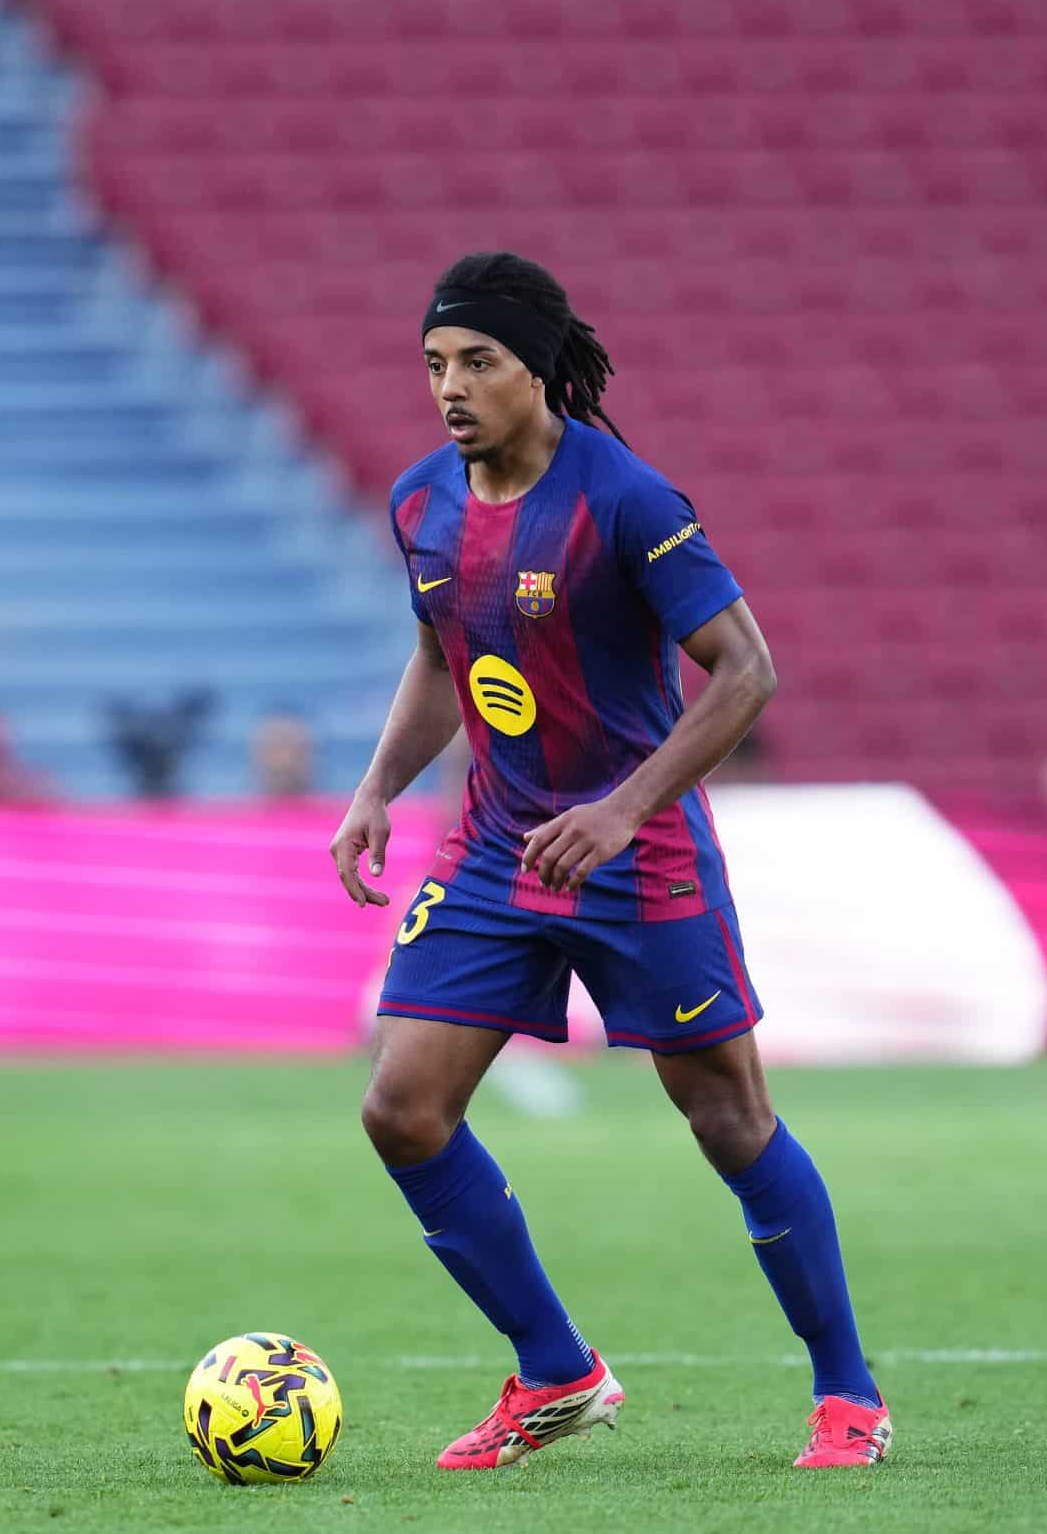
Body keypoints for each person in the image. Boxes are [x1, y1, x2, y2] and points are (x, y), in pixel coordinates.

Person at [327, 252, 890, 1472]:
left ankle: (848, 1396)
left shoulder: (627, 500)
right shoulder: (421, 502)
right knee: (402, 1109)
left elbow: (745, 671)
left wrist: (627, 809)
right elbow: (442, 656)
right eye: (434, 364)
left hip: (637, 860)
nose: (451, 387)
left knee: (729, 1119)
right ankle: (556, 1374)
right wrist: (378, 788)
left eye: (477, 361)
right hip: (493, 849)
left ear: (539, 369)